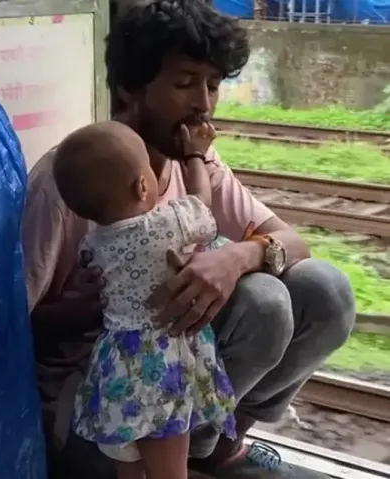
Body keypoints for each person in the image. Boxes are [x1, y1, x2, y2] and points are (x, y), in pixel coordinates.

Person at [23, 1, 356, 478]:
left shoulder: (197, 161)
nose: (203, 102)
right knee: (263, 301)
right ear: (128, 92)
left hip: (175, 376)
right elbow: (10, 327)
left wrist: (238, 257)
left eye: (214, 85)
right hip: (99, 410)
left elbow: (291, 240)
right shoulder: (66, 181)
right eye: (184, 84)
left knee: (324, 289)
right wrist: (99, 306)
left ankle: (215, 446)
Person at [52, 121, 237, 479]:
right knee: (171, 472)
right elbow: (201, 204)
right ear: (142, 187)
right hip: (160, 370)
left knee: (130, 470)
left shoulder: (92, 245)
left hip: (116, 368)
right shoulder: (164, 226)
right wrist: (195, 155)